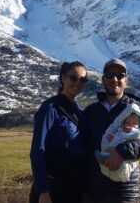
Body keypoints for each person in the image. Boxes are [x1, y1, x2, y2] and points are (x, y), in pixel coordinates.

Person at [80, 58, 140, 202]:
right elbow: (81, 146)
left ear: (126, 80)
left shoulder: (138, 110)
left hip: (125, 192)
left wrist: (122, 152)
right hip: (92, 193)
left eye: (120, 75)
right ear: (103, 79)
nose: (115, 79)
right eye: (110, 75)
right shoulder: (91, 111)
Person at [30, 61, 89, 203]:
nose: (77, 82)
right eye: (73, 78)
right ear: (63, 78)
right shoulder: (50, 108)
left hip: (75, 188)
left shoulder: (81, 112)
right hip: (53, 187)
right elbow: (38, 150)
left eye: (82, 79)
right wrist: (43, 191)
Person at [95, 105, 140, 182]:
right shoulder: (120, 130)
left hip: (126, 157)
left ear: (139, 126)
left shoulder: (137, 133)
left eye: (134, 123)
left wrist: (120, 151)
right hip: (111, 149)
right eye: (128, 122)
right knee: (107, 159)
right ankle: (102, 159)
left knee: (123, 165)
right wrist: (111, 137)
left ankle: (121, 173)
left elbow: (139, 144)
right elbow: (115, 135)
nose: (130, 125)